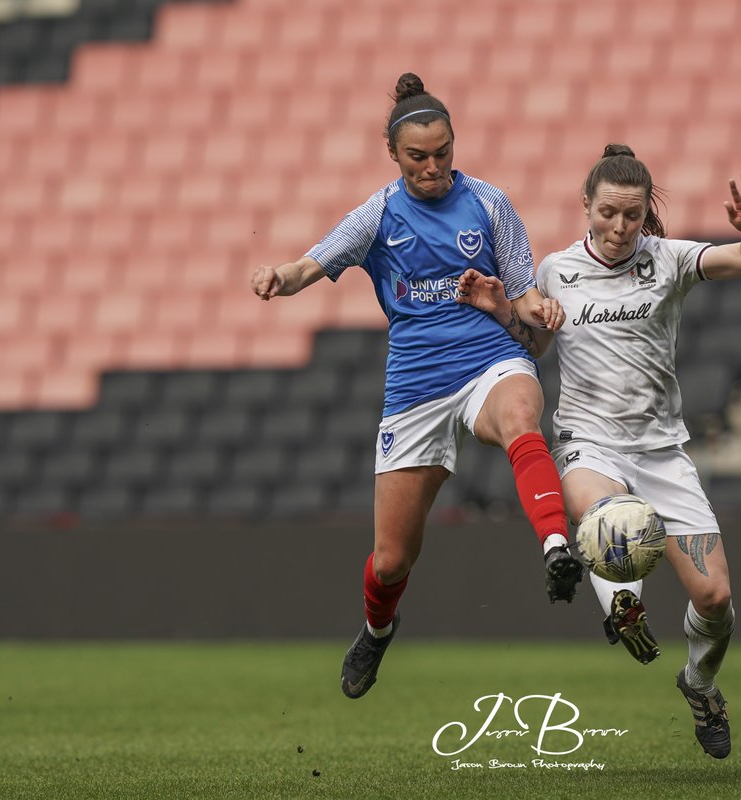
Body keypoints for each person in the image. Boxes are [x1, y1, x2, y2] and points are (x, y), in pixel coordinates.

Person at [250, 73, 582, 700]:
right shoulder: (376, 215)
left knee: (520, 415)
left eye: (444, 153)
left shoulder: (489, 204)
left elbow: (524, 294)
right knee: (392, 561)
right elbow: (308, 265)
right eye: (418, 157)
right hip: (416, 387)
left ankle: (557, 545)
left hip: (489, 360)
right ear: (393, 154)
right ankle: (378, 629)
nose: (433, 168)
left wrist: (542, 312)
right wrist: (277, 276)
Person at [456, 144, 741, 759]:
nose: (620, 228)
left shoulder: (671, 260)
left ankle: (700, 684)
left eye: (632, 216)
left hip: (662, 450)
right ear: (586, 206)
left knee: (715, 600)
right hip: (589, 442)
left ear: (645, 212)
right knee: (604, 519)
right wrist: (500, 310)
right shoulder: (554, 272)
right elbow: (537, 346)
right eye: (608, 213)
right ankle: (622, 604)